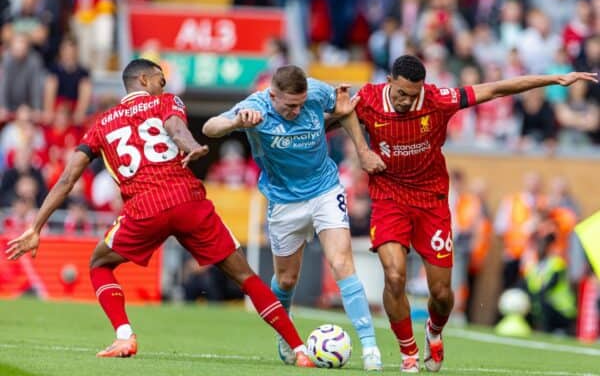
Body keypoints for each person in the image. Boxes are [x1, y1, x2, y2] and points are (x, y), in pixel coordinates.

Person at [5, 58, 314, 367]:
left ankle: (124, 335)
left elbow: (67, 178)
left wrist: (36, 227)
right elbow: (176, 128)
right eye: (159, 80)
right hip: (187, 200)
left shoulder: (100, 124)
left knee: (99, 264)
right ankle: (299, 349)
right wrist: (191, 145)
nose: (163, 86)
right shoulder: (166, 102)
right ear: (142, 80)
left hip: (144, 209)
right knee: (245, 277)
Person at [347, 55, 596, 373]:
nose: (406, 101)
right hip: (388, 200)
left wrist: (552, 79)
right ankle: (408, 352)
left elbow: (495, 90)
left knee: (441, 293)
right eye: (400, 94)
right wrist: (362, 149)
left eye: (413, 94)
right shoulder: (367, 97)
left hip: (431, 202)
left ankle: (434, 333)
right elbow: (339, 111)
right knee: (394, 275)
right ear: (389, 82)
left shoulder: (438, 100)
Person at [202, 65, 386, 371]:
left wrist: (363, 151)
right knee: (286, 279)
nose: (297, 110)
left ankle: (370, 347)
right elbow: (210, 127)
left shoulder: (315, 91)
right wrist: (236, 121)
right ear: (273, 95)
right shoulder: (255, 107)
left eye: (301, 104)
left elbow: (344, 110)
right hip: (284, 201)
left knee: (342, 263)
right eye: (290, 105)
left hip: (325, 188)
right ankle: (286, 336)